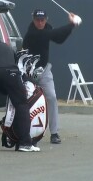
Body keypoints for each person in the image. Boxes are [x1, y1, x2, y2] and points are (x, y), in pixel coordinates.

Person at [22, 9, 81, 144]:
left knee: (52, 97)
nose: (40, 22)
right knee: (28, 101)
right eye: (37, 20)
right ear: (33, 20)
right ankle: (27, 132)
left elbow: (59, 39)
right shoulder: (31, 34)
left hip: (44, 71)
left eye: (42, 20)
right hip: (29, 72)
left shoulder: (47, 29)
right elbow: (52, 34)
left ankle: (54, 133)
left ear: (46, 19)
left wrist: (71, 27)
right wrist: (72, 24)